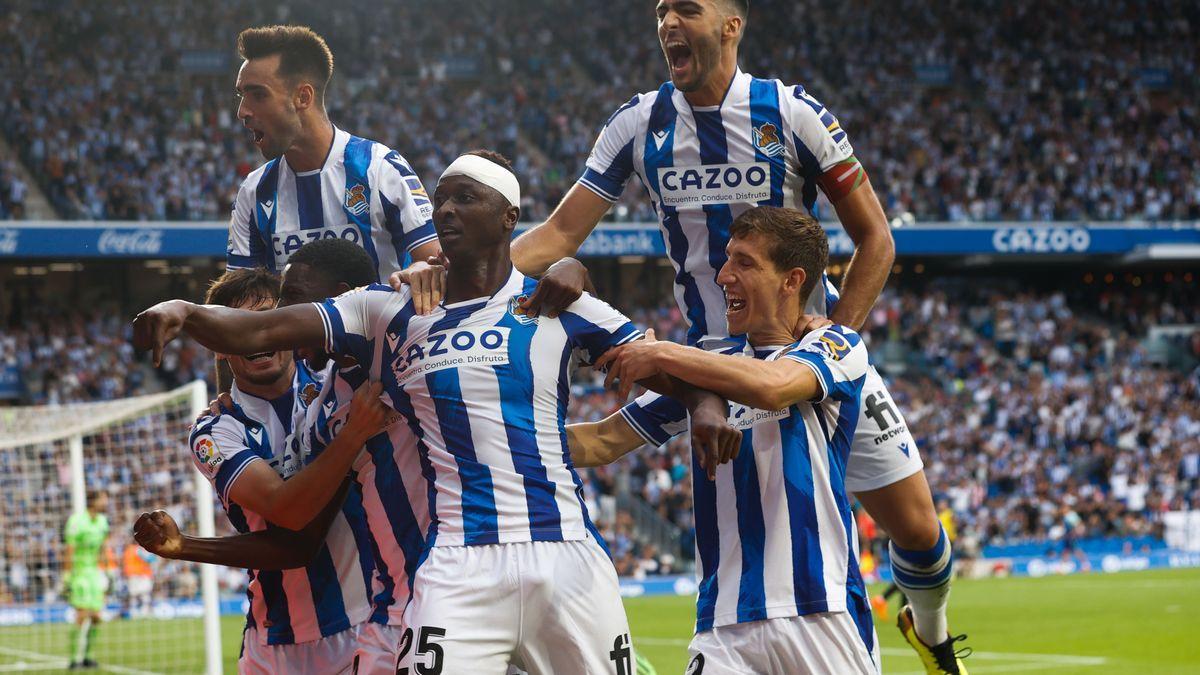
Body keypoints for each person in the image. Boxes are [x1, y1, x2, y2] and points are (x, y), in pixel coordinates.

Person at [132, 151, 735, 674]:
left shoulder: (557, 305)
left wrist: (706, 409)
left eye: (463, 198)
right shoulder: (387, 314)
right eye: (439, 200)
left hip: (567, 551)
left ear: (507, 216)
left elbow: (671, 367)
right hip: (455, 567)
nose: (444, 210)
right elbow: (265, 326)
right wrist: (186, 311)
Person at [507, 1, 965, 671]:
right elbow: (556, 236)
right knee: (641, 454)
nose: (667, 20)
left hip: (804, 353)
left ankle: (932, 632)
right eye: (661, 8)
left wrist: (832, 339)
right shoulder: (638, 124)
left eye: (686, 7)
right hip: (708, 359)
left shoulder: (792, 114)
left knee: (921, 529)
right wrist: (465, 271)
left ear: (731, 24)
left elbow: (877, 239)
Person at [591, 206, 878, 673]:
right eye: (727, 260)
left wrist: (661, 351)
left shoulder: (835, 345)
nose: (724, 275)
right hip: (723, 624)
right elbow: (603, 441)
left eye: (744, 263)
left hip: (818, 609)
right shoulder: (708, 367)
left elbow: (773, 385)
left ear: (792, 280)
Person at [143, 267, 390, 675]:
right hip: (277, 645)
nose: (257, 335)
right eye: (238, 326)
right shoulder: (214, 430)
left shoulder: (341, 383)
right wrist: (351, 437)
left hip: (370, 624)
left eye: (266, 320)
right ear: (219, 345)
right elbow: (287, 515)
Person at [64, 490, 109, 670]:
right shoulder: (76, 521)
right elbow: (69, 550)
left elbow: (103, 549)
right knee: (82, 615)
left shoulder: (103, 522)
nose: (106, 502)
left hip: (94, 573)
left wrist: (108, 572)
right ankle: (74, 658)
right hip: (79, 572)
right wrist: (67, 575)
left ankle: (89, 657)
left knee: (97, 616)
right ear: (93, 501)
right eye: (103, 498)